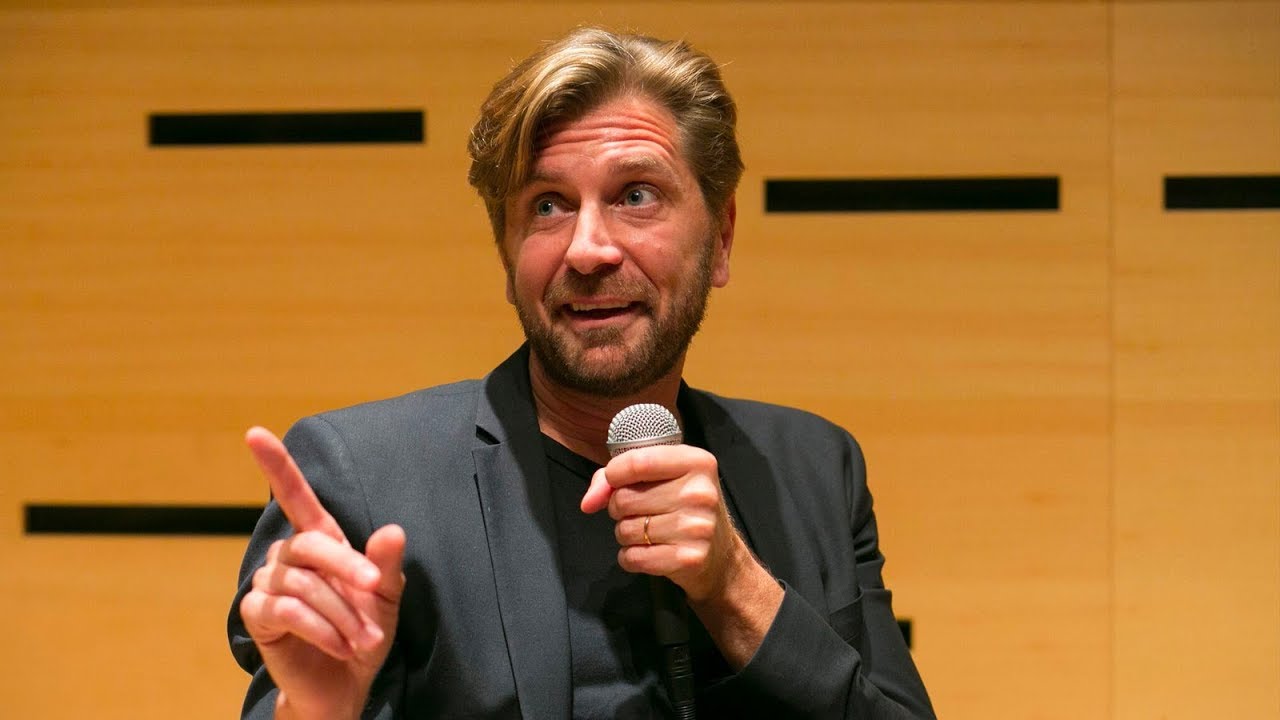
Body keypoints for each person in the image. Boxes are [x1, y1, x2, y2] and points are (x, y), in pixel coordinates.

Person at [228, 27, 935, 720]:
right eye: (548, 205)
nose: (588, 249)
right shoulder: (368, 480)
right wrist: (317, 713)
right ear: (507, 254)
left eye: (636, 195)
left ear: (720, 239)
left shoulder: (813, 468)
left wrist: (734, 587)